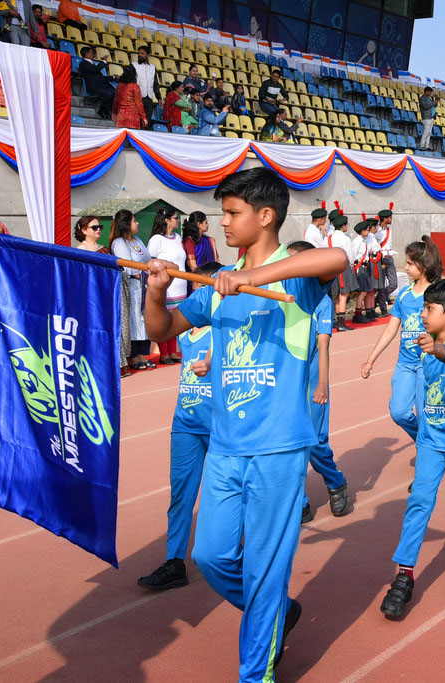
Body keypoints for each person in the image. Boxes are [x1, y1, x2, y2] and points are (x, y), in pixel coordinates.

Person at [143, 167, 348, 680]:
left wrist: (251, 279)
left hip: (279, 447)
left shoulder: (296, 274)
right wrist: (155, 291)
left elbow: (338, 258)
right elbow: (163, 327)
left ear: (265, 215)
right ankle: (277, 611)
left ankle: (256, 672)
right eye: (223, 212)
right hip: (226, 446)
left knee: (263, 569)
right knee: (211, 556)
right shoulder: (215, 283)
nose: (224, 222)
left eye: (232, 213)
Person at [379, 279, 445, 619]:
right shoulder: (423, 344)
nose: (423, 315)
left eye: (429, 309)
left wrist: (436, 349)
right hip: (430, 442)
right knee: (419, 504)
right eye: (423, 308)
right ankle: (404, 575)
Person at [137, 261, 219, 590]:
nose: (204, 293)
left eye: (210, 287)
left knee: (223, 494)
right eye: (201, 287)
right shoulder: (184, 326)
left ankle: (233, 554)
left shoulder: (224, 327)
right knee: (180, 495)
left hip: (221, 425)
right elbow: (158, 324)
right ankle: (174, 562)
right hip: (186, 423)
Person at [287, 241, 351, 522]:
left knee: (314, 444)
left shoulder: (321, 303)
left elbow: (322, 347)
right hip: (288, 386)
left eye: (296, 262)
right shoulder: (284, 299)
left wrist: (322, 384)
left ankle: (335, 481)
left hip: (314, 384)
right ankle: (299, 501)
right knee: (292, 444)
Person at [363, 236, 443, 441]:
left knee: (427, 414)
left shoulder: (437, 294)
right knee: (399, 412)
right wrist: (371, 359)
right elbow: (391, 329)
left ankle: (429, 447)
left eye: (409, 263)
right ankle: (425, 440)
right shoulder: (404, 295)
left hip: (429, 363)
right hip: (405, 364)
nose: (405, 268)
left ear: (423, 266)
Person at [74, 215, 131, 378]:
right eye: (94, 227)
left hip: (108, 293)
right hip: (93, 296)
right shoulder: (81, 250)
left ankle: (117, 365)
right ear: (84, 230)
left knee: (113, 327)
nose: (98, 230)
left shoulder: (104, 248)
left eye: (100, 227)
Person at [110, 209, 154, 371]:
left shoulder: (137, 241)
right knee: (134, 318)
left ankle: (143, 353)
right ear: (126, 224)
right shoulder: (119, 243)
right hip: (132, 287)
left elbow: (148, 259)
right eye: (134, 221)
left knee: (143, 318)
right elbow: (126, 266)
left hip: (144, 284)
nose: (137, 223)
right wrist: (142, 273)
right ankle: (133, 355)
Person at [147, 208, 186, 365]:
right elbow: (152, 260)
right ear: (167, 220)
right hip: (167, 286)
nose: (178, 220)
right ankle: (164, 354)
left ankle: (173, 351)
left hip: (181, 285)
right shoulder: (157, 239)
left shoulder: (177, 238)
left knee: (176, 318)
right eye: (175, 218)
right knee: (165, 318)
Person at [326, 213, 356, 331]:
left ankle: (338, 322)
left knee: (336, 295)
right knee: (343, 295)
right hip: (343, 267)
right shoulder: (345, 238)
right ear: (343, 226)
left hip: (331, 268)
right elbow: (350, 255)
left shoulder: (328, 237)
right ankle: (341, 324)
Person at [350, 220, 376, 324]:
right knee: (363, 291)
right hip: (359, 268)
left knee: (365, 291)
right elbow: (353, 255)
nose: (368, 232)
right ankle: (358, 314)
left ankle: (360, 312)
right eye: (367, 230)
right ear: (362, 231)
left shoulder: (363, 240)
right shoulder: (357, 241)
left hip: (364, 267)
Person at [79, 46, 115, 120]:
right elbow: (95, 69)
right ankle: (103, 110)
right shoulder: (83, 64)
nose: (93, 55)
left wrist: (113, 77)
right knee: (109, 93)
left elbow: (101, 77)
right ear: (86, 54)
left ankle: (105, 110)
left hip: (101, 86)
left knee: (114, 92)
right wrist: (104, 61)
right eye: (92, 53)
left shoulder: (92, 64)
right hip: (94, 88)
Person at [112, 65, 148, 130]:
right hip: (133, 117)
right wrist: (144, 117)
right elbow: (139, 103)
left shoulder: (119, 85)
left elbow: (116, 100)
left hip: (121, 115)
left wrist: (114, 112)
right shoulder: (135, 87)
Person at [133, 45, 157, 126]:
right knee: (137, 120)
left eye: (142, 53)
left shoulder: (153, 67)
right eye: (139, 53)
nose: (140, 55)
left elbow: (155, 83)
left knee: (147, 121)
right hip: (137, 97)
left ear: (148, 55)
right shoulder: (133, 65)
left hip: (149, 98)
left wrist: (159, 97)